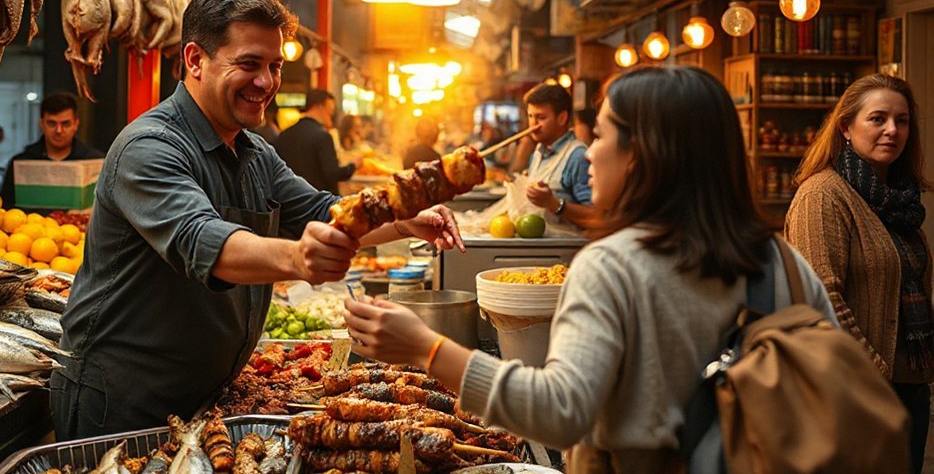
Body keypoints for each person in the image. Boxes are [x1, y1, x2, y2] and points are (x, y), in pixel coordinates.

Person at [345, 66, 836, 472]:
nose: (589, 151)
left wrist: (426, 347)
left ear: (641, 153)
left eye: (600, 134)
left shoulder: (612, 266)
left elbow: (560, 410)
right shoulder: (783, 262)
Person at [52, 0, 463, 440]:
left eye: (274, 66)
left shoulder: (254, 152)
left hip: (205, 395)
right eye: (249, 64)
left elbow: (326, 211)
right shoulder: (148, 147)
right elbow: (201, 240)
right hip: (124, 401)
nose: (266, 82)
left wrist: (407, 220)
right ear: (195, 60)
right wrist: (297, 259)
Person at [785, 73, 933, 474]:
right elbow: (822, 299)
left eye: (901, 121)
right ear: (847, 128)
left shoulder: (901, 201)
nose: (892, 131)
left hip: (910, 388)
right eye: (878, 118)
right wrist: (875, 376)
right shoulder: (823, 195)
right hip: (854, 393)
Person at [0, 92, 104, 210]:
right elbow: (6, 209)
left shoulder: (95, 161)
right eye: (51, 123)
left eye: (66, 124)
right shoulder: (21, 162)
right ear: (42, 124)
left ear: (76, 124)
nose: (59, 130)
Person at [518, 83, 593, 226]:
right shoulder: (538, 153)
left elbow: (596, 216)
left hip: (567, 246)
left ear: (562, 118)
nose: (533, 124)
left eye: (541, 117)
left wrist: (553, 203)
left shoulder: (578, 156)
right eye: (530, 116)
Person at [275, 89, 359, 194]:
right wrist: (353, 166)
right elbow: (332, 174)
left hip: (290, 202)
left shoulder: (284, 136)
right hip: (318, 203)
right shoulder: (323, 137)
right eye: (330, 112)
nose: (331, 115)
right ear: (318, 106)